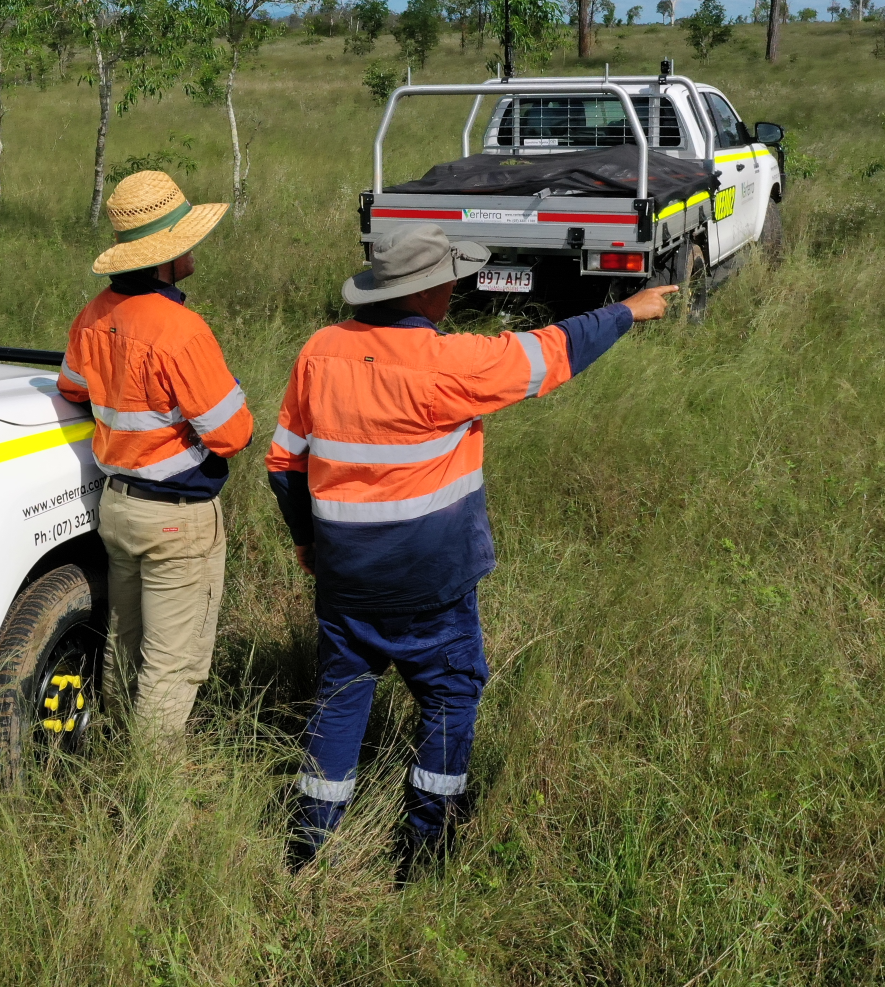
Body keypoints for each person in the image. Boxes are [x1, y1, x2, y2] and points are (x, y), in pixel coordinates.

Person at [266, 223, 675, 865]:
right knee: (451, 696)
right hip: (433, 584)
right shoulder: (450, 363)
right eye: (449, 280)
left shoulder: (320, 350)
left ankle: (307, 849)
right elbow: (552, 350)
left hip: (345, 581)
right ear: (431, 291)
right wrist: (628, 309)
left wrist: (309, 547)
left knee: (341, 700)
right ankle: (426, 846)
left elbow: (283, 466)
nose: (454, 288)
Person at [58, 171, 253, 738]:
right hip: (177, 520)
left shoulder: (94, 315)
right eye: (185, 238)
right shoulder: (183, 330)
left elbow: (72, 387)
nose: (195, 246)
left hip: (118, 509)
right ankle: (149, 788)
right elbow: (232, 433)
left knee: (125, 644)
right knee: (172, 665)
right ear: (165, 258)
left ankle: (113, 746)